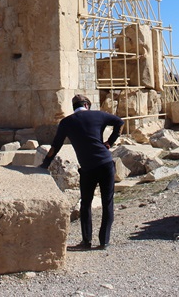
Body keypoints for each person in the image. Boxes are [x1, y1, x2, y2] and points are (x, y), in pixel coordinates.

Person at [40, 94, 123, 250]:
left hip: (87, 167)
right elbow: (120, 122)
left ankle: (86, 242)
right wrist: (109, 142)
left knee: (86, 204)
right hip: (105, 163)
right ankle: (104, 241)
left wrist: (44, 164)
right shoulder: (99, 114)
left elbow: (55, 146)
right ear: (87, 105)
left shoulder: (66, 122)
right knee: (107, 202)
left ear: (74, 107)